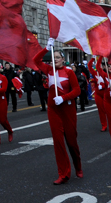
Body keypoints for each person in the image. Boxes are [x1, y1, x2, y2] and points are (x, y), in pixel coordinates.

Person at [33, 48, 82, 185]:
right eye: (53, 57)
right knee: (58, 142)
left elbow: (77, 90)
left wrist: (64, 98)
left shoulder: (69, 72)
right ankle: (63, 174)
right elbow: (35, 60)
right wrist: (46, 49)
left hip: (67, 109)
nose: (55, 60)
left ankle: (78, 166)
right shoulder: (49, 70)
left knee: (71, 142)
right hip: (53, 110)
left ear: (63, 59)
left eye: (57, 57)